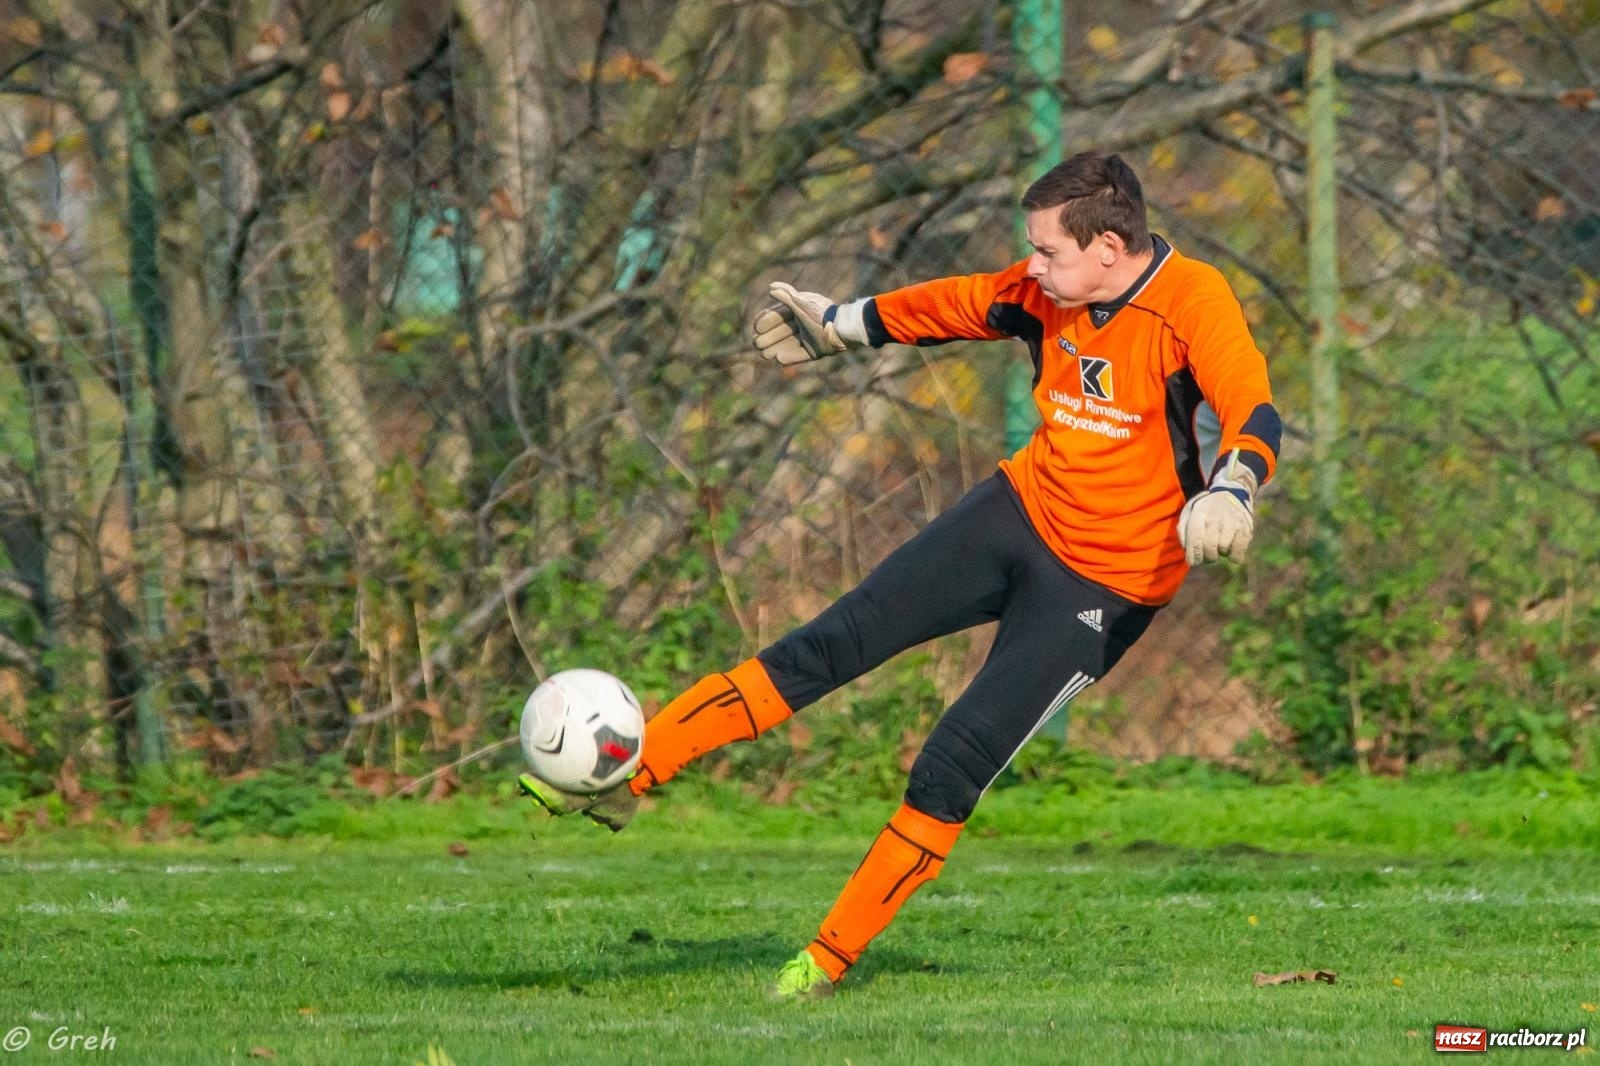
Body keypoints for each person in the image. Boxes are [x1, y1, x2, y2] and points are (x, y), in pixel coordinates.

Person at [518, 150, 1281, 1000]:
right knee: (830, 644)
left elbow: (1252, 405)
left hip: (1107, 583)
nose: (1031, 266)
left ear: (1108, 248)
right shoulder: (1047, 292)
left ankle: (824, 963)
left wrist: (1234, 486)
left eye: (1047, 251)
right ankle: (626, 775)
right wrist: (838, 323)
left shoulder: (1191, 302)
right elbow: (955, 303)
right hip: (1018, 513)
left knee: (951, 763)